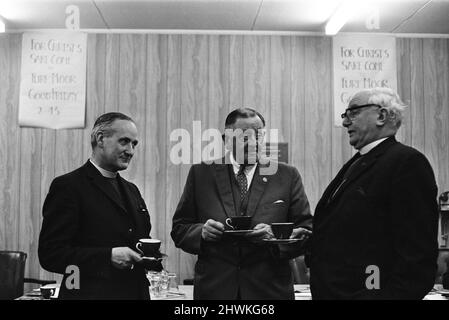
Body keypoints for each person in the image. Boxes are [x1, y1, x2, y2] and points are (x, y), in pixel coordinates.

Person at [310, 87, 439, 299]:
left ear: (381, 115)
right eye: (345, 115)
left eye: (353, 112)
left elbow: (417, 258)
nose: (345, 122)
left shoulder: (407, 163)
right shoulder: (358, 162)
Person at [171, 108, 312, 299]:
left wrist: (275, 237)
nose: (253, 142)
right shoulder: (201, 174)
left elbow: (306, 231)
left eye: (258, 135)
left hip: (269, 291)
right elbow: (180, 229)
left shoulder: (286, 176)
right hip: (215, 291)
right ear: (226, 140)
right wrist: (201, 232)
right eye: (245, 136)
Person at [39, 112, 160, 300]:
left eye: (134, 144)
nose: (131, 151)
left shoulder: (132, 190)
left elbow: (137, 238)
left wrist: (150, 256)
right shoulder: (68, 186)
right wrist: (107, 257)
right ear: (100, 139)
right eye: (124, 141)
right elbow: (51, 255)